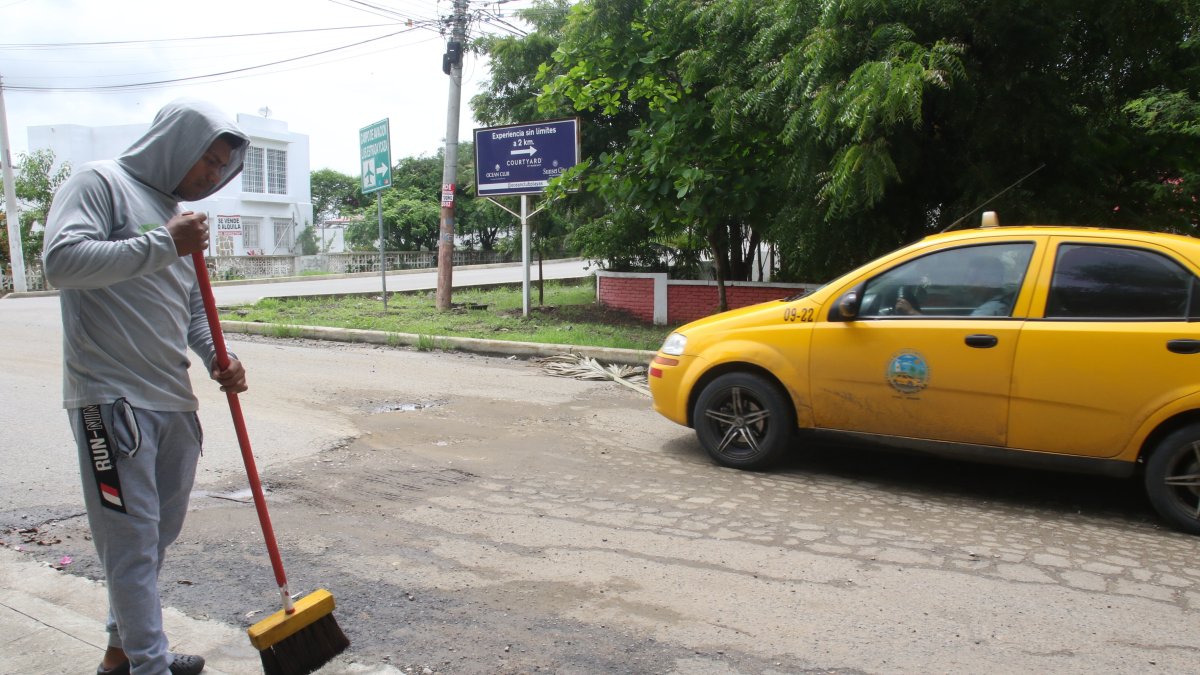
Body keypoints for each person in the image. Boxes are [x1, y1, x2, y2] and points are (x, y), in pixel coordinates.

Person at [42, 99, 251, 675]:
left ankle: (125, 652)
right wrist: (163, 242)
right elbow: (60, 262)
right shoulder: (100, 183)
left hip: (172, 400)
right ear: (173, 144)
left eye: (220, 167)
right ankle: (149, 666)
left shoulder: (178, 217)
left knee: (155, 540)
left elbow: (190, 309)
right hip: (109, 401)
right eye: (206, 160)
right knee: (130, 546)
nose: (212, 174)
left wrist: (220, 357)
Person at [894, 257, 1012, 317]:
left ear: (990, 281)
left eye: (972, 279)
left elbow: (957, 334)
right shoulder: (998, 301)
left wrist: (912, 312)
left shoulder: (991, 310)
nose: (968, 285)